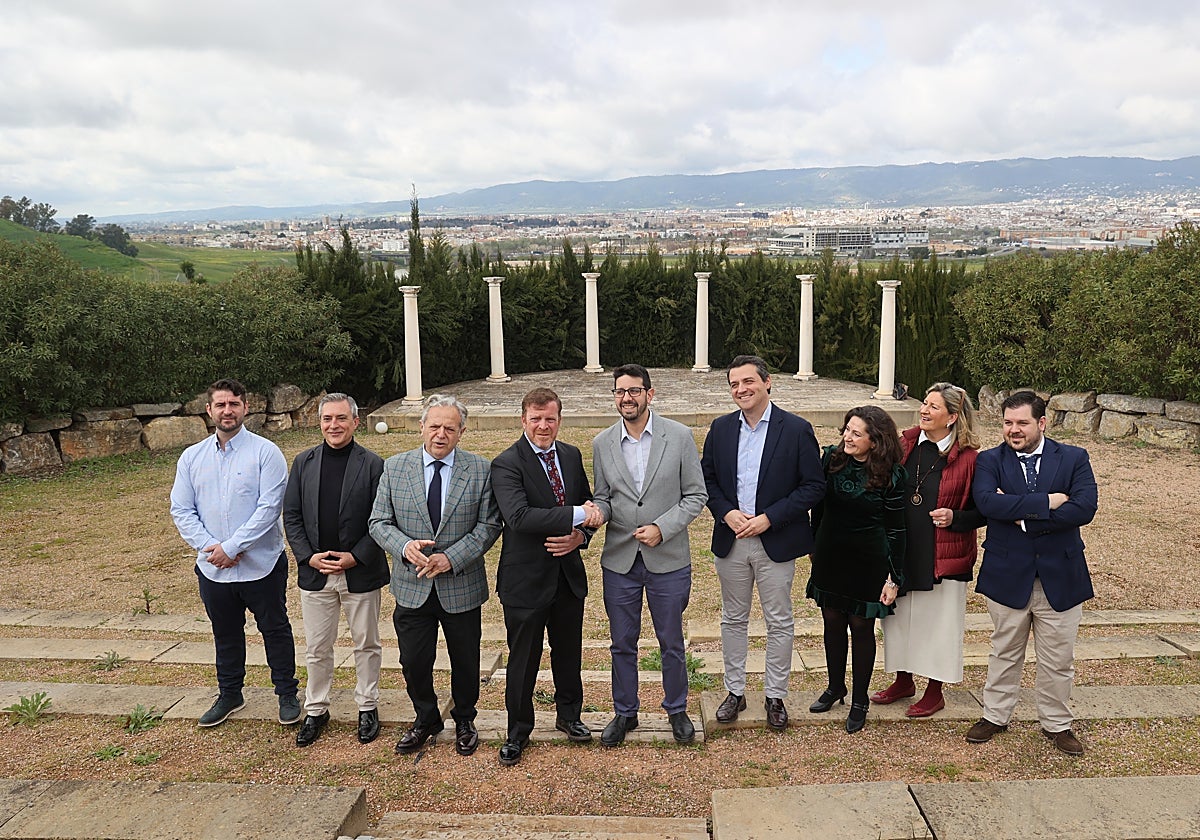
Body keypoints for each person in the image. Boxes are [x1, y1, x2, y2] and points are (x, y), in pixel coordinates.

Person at [369, 394, 502, 757]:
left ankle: (464, 718)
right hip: (412, 586)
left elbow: (489, 525)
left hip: (460, 585)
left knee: (465, 660)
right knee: (413, 661)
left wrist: (450, 558)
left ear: (462, 431)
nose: (440, 434)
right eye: (434, 426)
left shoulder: (480, 470)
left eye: (449, 428)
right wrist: (404, 547)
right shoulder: (395, 468)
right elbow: (378, 522)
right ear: (422, 427)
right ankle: (426, 717)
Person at [966, 390, 1098, 755]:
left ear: (1042, 423)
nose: (1013, 430)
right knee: (1004, 650)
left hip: (1062, 574)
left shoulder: (1074, 458)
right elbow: (987, 503)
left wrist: (1020, 516)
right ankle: (994, 716)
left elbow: (1085, 508)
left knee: (1059, 658)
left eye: (1022, 422)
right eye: (1008, 423)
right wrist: (1047, 502)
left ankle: (1057, 723)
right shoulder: (989, 460)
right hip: (1007, 574)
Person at [701, 355, 825, 731]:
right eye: (734, 384)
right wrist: (726, 512)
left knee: (779, 620)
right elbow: (706, 479)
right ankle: (734, 692)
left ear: (767, 382)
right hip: (733, 538)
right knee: (733, 619)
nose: (741, 389)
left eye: (748, 382)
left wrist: (770, 517)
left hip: (777, 539)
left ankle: (775, 695)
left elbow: (813, 486)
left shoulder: (796, 429)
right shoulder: (720, 428)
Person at [170, 377, 301, 728]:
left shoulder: (265, 453)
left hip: (262, 564)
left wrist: (233, 547)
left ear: (245, 407)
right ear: (209, 410)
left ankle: (286, 693)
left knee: (274, 629)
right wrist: (212, 549)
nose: (228, 410)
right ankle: (230, 693)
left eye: (234, 404)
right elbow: (182, 510)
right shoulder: (192, 457)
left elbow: (270, 507)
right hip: (213, 567)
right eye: (221, 404)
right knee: (225, 632)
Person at [591, 364, 708, 746]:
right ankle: (625, 712)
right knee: (622, 642)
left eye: (634, 390)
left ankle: (677, 709)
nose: (627, 398)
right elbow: (604, 497)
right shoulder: (601, 443)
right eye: (620, 391)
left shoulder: (679, 436)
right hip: (620, 561)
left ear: (649, 394)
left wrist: (663, 527)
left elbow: (696, 495)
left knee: (671, 641)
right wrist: (598, 513)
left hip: (669, 558)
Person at [491, 387, 604, 766]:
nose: (543, 426)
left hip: (567, 575)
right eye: (536, 419)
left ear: (559, 419)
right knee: (524, 658)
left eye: (550, 418)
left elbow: (589, 506)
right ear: (523, 420)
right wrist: (577, 515)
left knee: (569, 653)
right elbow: (519, 517)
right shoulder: (506, 463)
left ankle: (570, 716)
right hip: (525, 580)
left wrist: (581, 535)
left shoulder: (570, 455)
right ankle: (517, 731)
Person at [872, 383, 984, 718]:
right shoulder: (904, 444)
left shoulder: (970, 459)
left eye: (933, 407)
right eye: (924, 403)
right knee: (898, 619)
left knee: (938, 624)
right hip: (902, 547)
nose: (924, 410)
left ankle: (934, 691)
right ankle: (903, 680)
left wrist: (956, 517)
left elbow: (984, 510)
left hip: (943, 552)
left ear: (952, 417)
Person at [282, 393, 388, 747]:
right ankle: (316, 709)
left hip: (359, 570)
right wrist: (307, 556)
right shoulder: (303, 462)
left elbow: (382, 520)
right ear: (320, 422)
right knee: (317, 647)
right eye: (327, 419)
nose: (334, 425)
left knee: (367, 643)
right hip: (316, 572)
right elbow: (292, 516)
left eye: (341, 418)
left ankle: (368, 705)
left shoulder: (373, 465)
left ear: (356, 422)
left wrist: (355, 556)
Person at [806, 405, 906, 734]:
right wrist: (814, 547)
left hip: (868, 560)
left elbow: (896, 529)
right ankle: (836, 687)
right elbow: (817, 507)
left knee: (861, 627)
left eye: (856, 433)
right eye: (846, 430)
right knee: (832, 620)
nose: (847, 437)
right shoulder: (831, 459)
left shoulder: (891, 474)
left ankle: (860, 699)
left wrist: (893, 577)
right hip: (831, 554)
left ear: (875, 441)